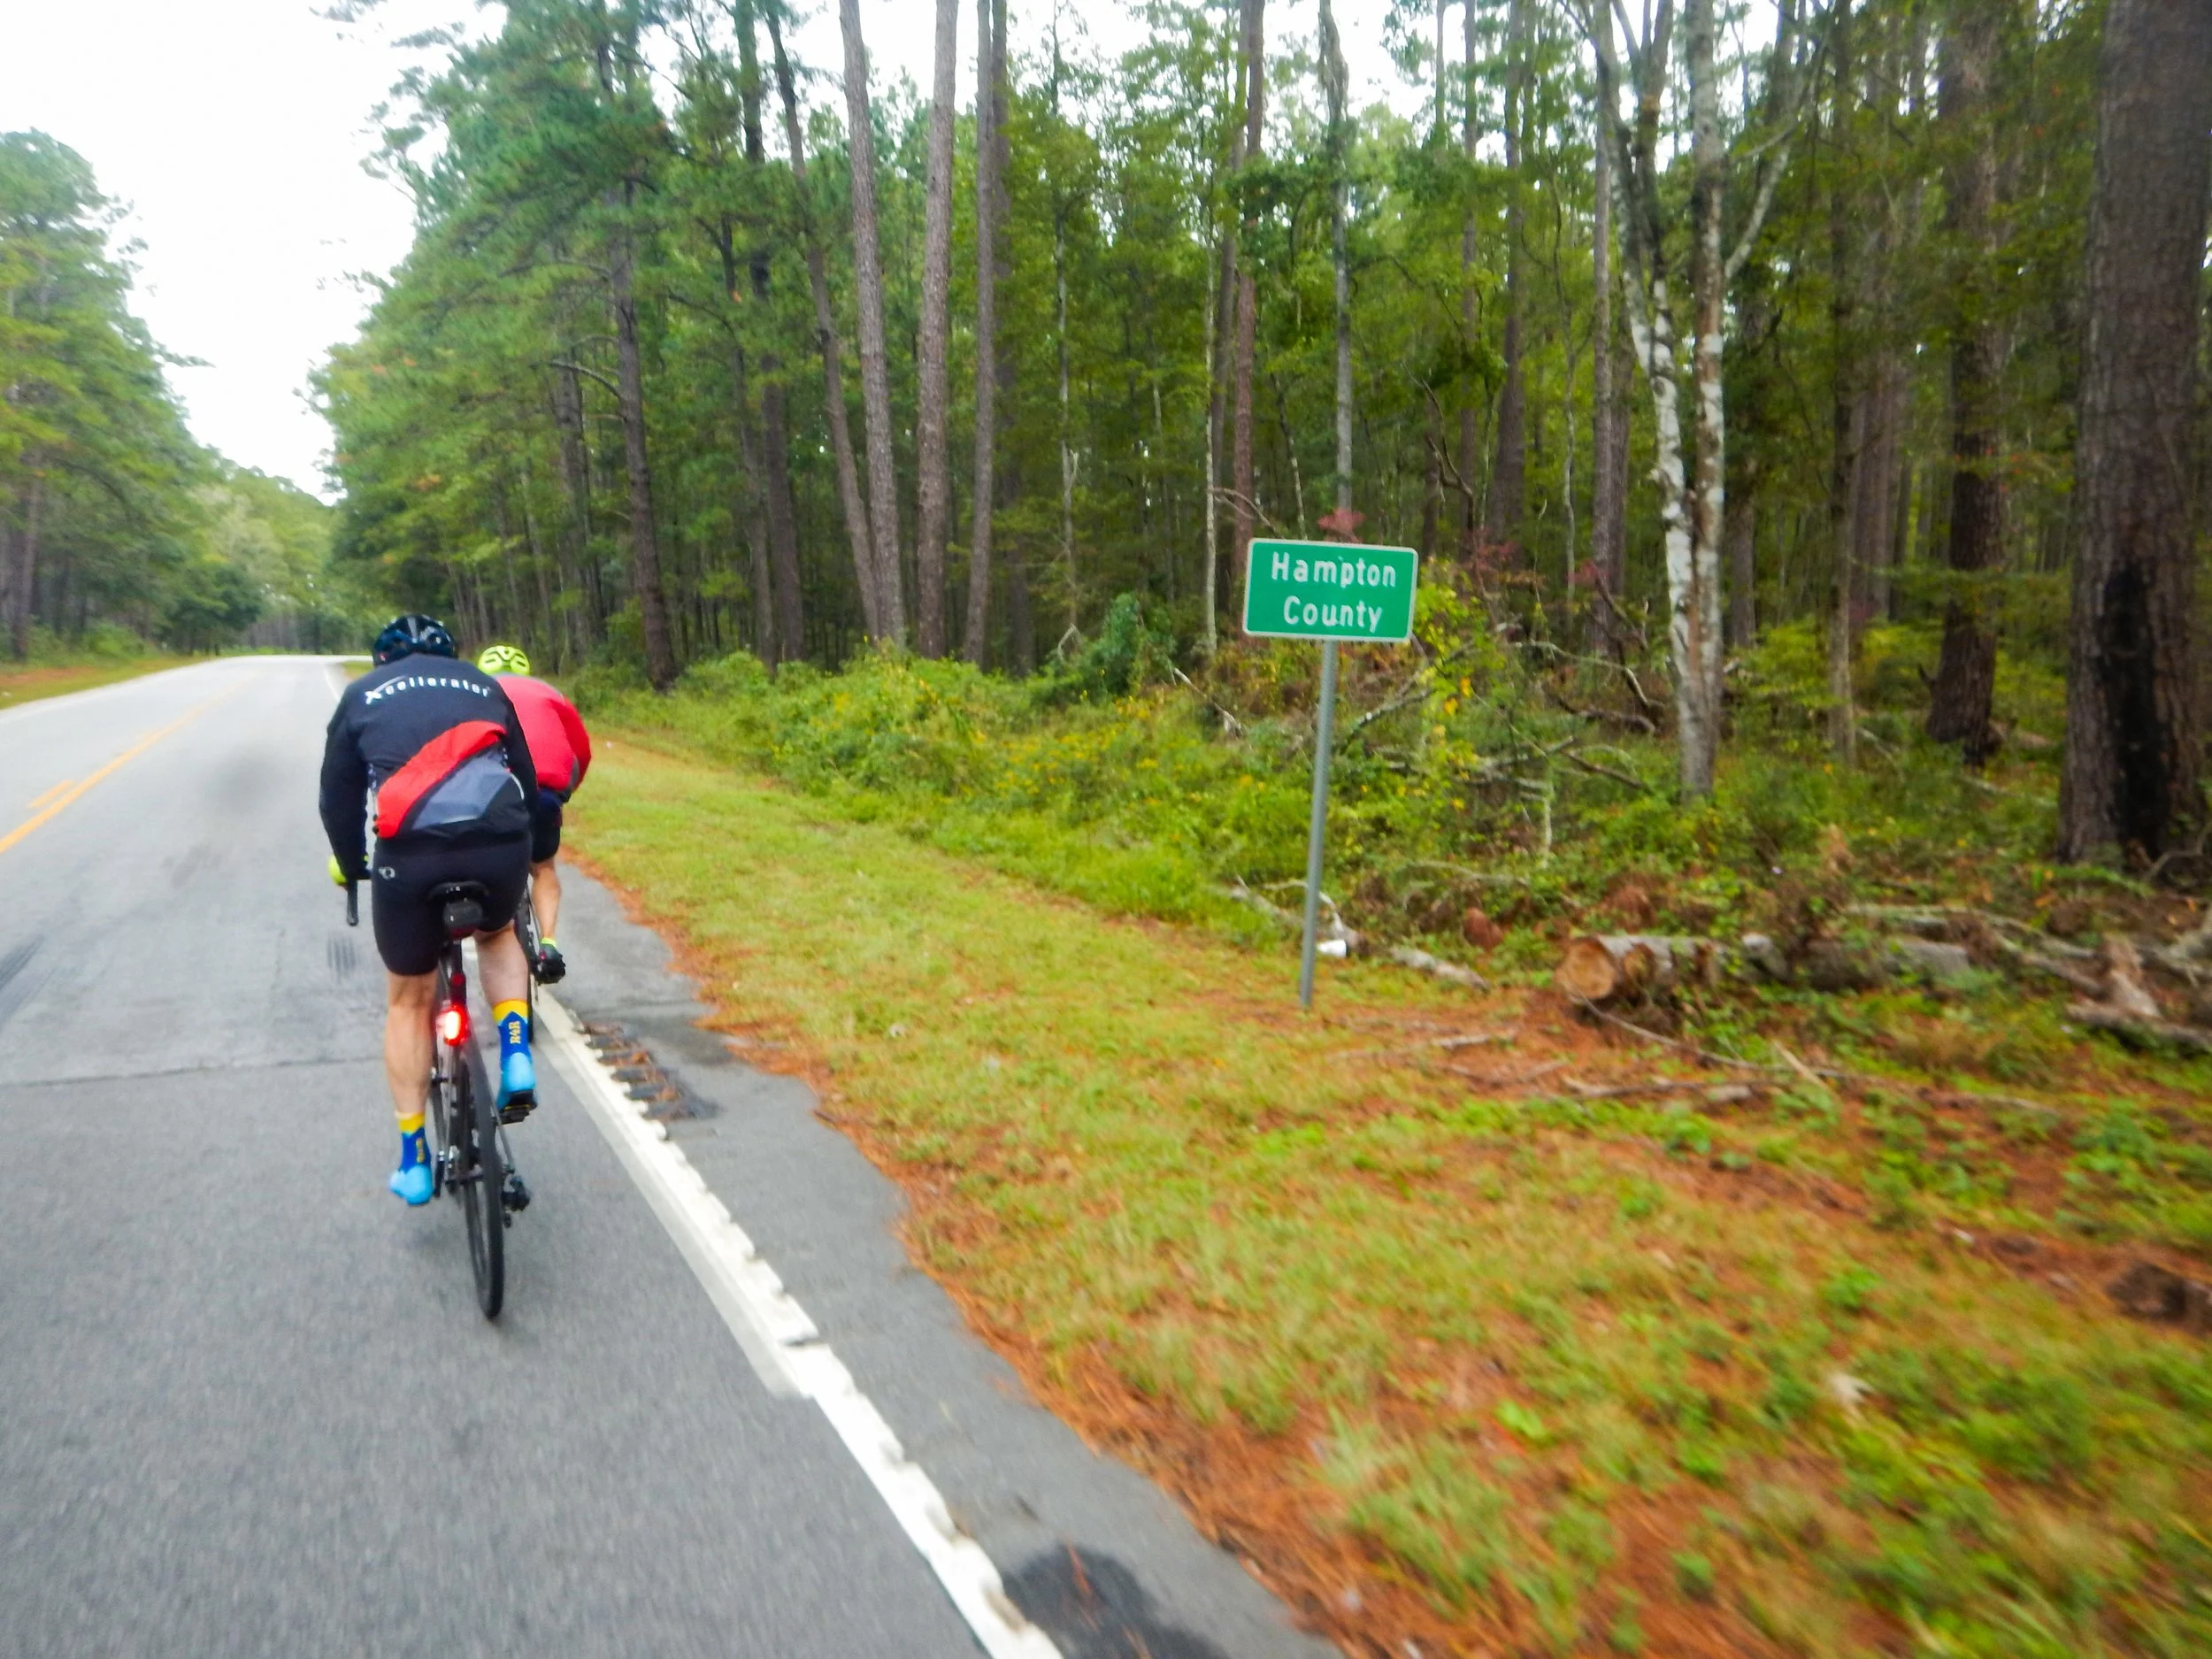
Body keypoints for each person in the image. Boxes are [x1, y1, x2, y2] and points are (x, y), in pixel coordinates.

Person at [321, 615, 541, 1206]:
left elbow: (337, 798)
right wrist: (536, 850)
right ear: (452, 654)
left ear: (381, 661)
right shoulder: (483, 684)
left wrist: (351, 860)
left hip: (410, 859)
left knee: (408, 998)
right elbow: (524, 774)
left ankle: (415, 1158)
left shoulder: (360, 695)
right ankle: (517, 1050)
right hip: (499, 843)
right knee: (497, 933)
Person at [474, 644, 591, 984]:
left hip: (491, 792)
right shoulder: (551, 693)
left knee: (485, 862)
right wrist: (563, 793)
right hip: (544, 792)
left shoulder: (473, 691)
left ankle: (494, 930)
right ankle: (549, 943)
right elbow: (580, 750)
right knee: (543, 868)